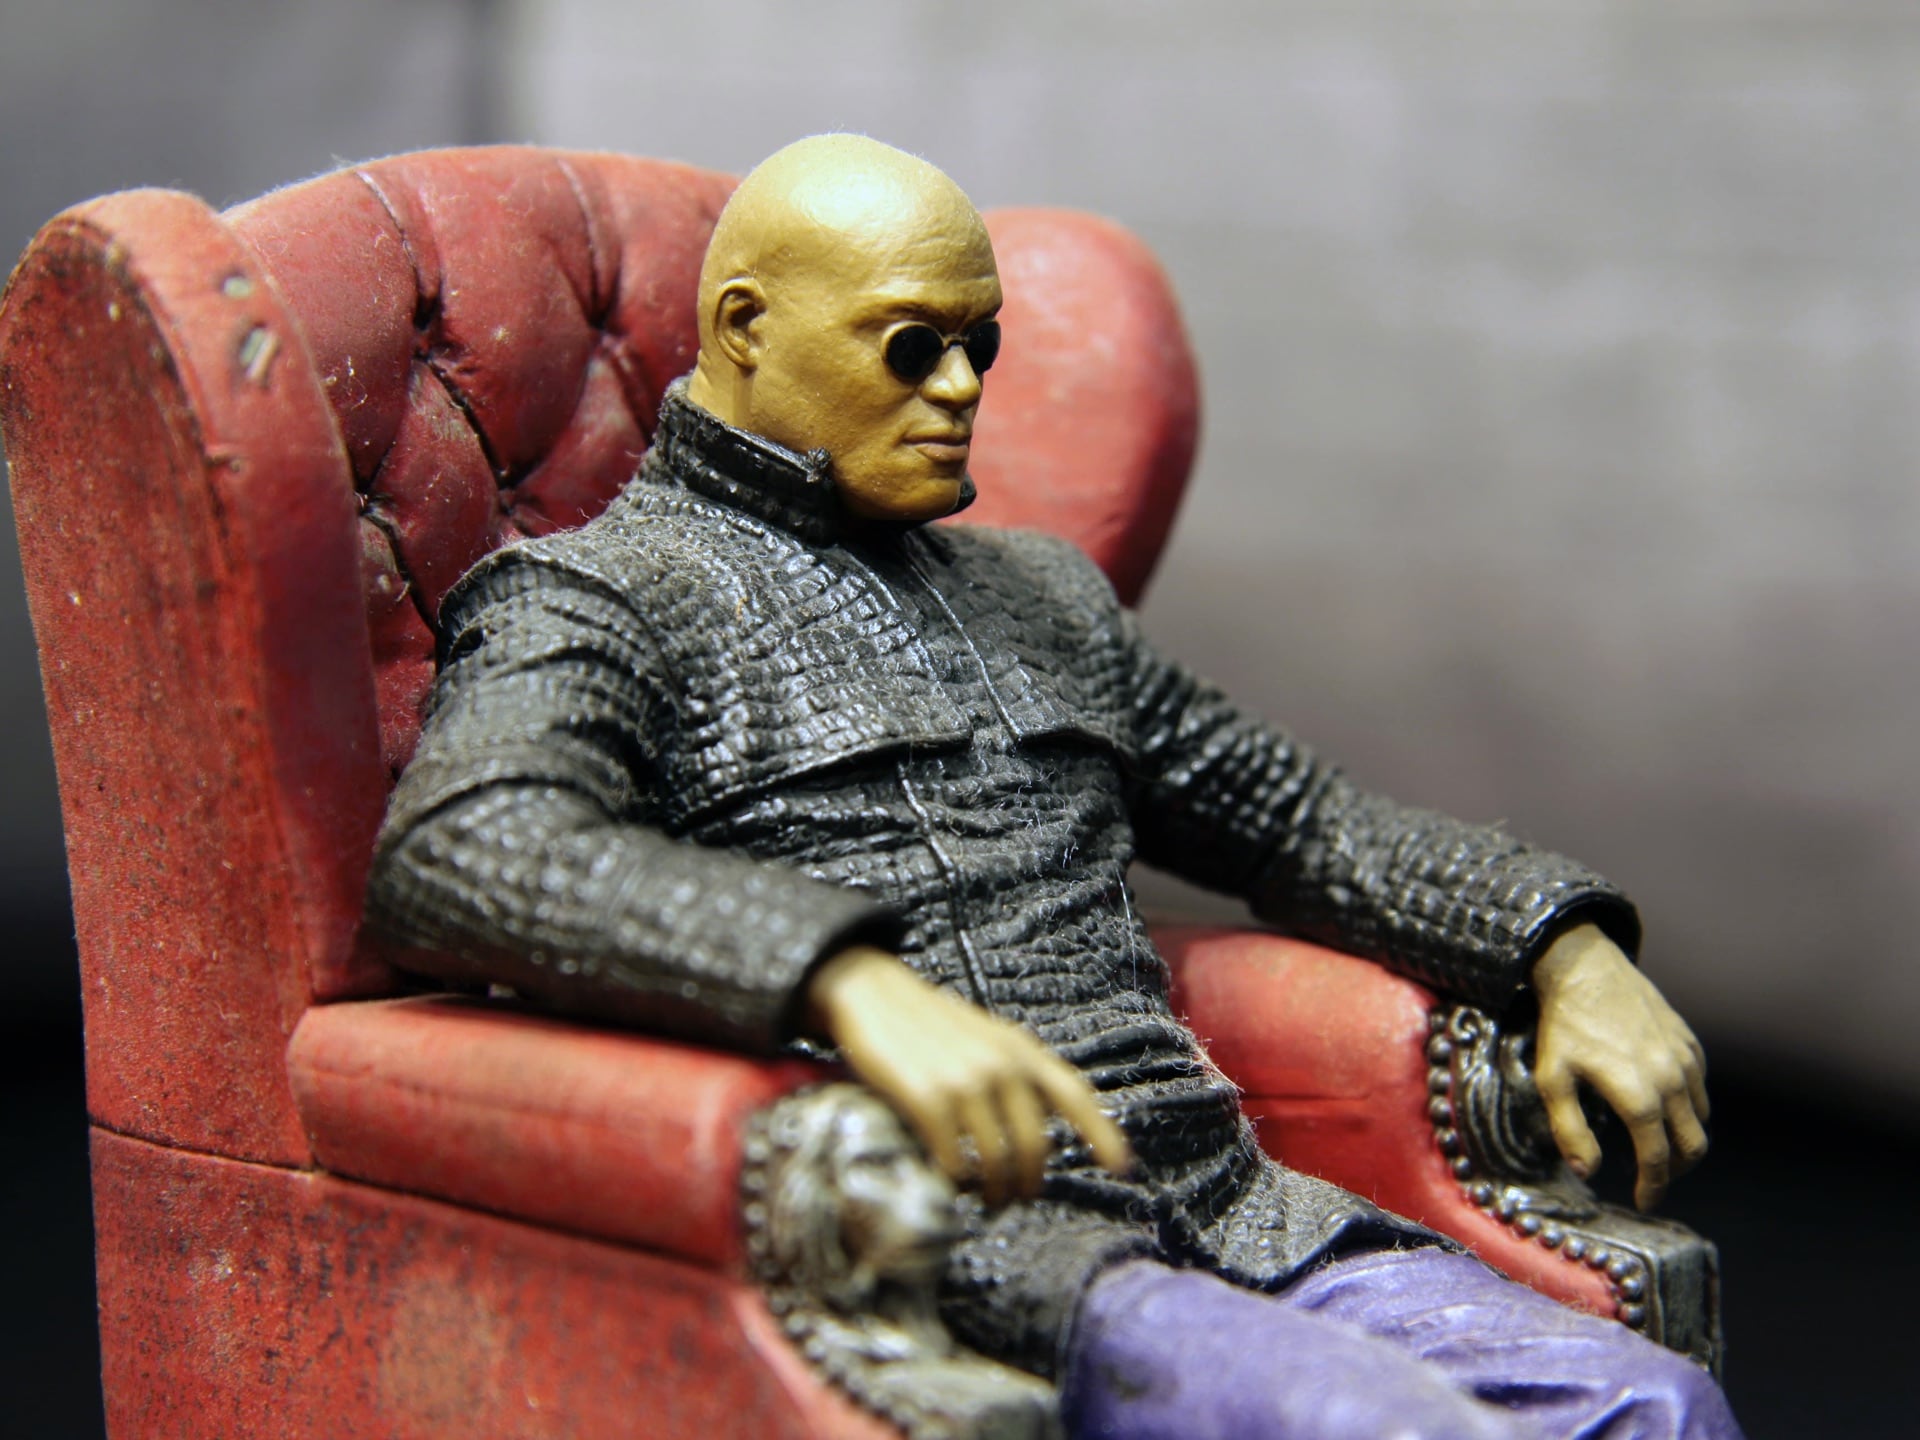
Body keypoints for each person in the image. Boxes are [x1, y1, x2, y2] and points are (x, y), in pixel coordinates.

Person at [368, 134, 1739, 1439]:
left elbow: (1297, 819)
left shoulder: (1044, 599)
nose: (962, 388)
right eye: (913, 347)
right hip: (968, 1257)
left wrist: (1561, 944)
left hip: (1231, 1210)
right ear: (745, 329)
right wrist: (841, 980)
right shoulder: (602, 597)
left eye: (981, 346)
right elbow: (463, 844)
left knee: (1651, 1408)